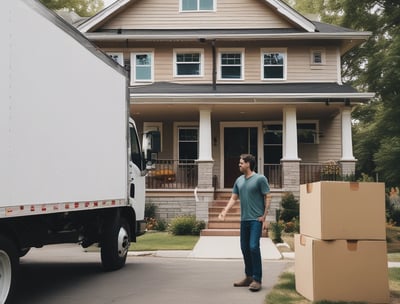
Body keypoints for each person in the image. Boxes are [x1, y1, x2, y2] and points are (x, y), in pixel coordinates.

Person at [218, 154, 271, 292]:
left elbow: (268, 196)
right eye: (239, 162)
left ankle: (257, 279)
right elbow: (233, 198)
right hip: (244, 220)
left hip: (255, 220)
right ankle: (248, 277)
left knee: (253, 247)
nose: (239, 164)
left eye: (241, 163)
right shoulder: (239, 180)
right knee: (244, 248)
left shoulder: (260, 179)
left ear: (248, 164)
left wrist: (264, 216)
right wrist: (225, 211)